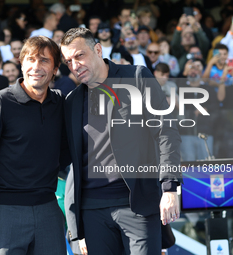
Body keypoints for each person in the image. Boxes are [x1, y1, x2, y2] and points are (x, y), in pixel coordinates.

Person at [60, 27, 181, 255]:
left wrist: (170, 188)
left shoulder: (136, 77)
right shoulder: (72, 101)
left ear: (98, 49)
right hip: (92, 211)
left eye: (79, 55)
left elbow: (167, 132)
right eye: (68, 61)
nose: (75, 65)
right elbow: (59, 154)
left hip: (138, 205)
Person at [0, 35, 69, 255]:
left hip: (49, 210)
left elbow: (66, 153)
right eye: (30, 60)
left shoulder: (60, 103)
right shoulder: (0, 102)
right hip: (5, 211)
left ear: (55, 68)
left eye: (44, 60)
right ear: (21, 64)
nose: (36, 66)